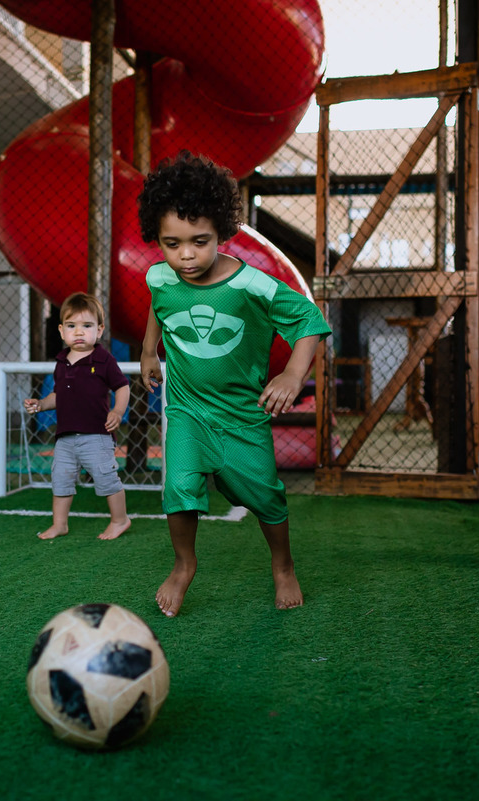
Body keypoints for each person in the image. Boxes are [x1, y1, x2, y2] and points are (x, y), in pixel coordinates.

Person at [137, 150, 332, 615]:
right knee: (179, 485)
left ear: (222, 231)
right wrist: (148, 350)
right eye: (172, 243)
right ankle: (184, 565)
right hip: (186, 410)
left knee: (265, 497)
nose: (186, 254)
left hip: (242, 416)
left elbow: (309, 319)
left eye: (199, 241)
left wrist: (291, 373)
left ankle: (282, 565)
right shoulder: (160, 276)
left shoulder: (253, 286)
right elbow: (158, 306)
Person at [24, 292, 133, 541]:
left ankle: (120, 520)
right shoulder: (62, 362)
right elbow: (58, 395)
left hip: (96, 434)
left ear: (100, 330)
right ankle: (60, 524)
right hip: (65, 437)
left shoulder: (103, 359)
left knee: (106, 478)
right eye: (72, 326)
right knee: (60, 480)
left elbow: (122, 387)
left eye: (87, 326)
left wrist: (117, 411)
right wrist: (40, 404)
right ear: (62, 331)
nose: (79, 332)